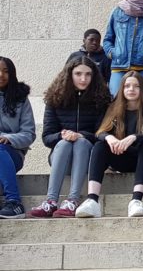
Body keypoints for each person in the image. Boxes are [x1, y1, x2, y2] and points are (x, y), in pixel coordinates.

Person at [76, 72, 143, 218]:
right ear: (122, 88)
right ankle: (92, 200)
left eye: (136, 86)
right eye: (127, 86)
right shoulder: (114, 107)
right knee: (100, 145)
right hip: (124, 158)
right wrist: (109, 138)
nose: (131, 89)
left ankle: (136, 201)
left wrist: (134, 137)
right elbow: (99, 132)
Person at [31, 57, 111, 218]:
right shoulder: (55, 99)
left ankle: (72, 200)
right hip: (61, 158)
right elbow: (47, 137)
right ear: (69, 74)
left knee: (80, 142)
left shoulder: (102, 99)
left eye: (88, 74)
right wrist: (62, 135)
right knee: (64, 143)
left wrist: (80, 135)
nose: (83, 79)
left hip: (87, 159)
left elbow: (101, 134)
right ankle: (51, 201)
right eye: (78, 74)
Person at [0, 57, 36, 219]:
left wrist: (9, 138)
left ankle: (14, 202)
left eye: (6, 71)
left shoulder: (21, 98)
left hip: (12, 153)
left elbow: (29, 134)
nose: (1, 75)